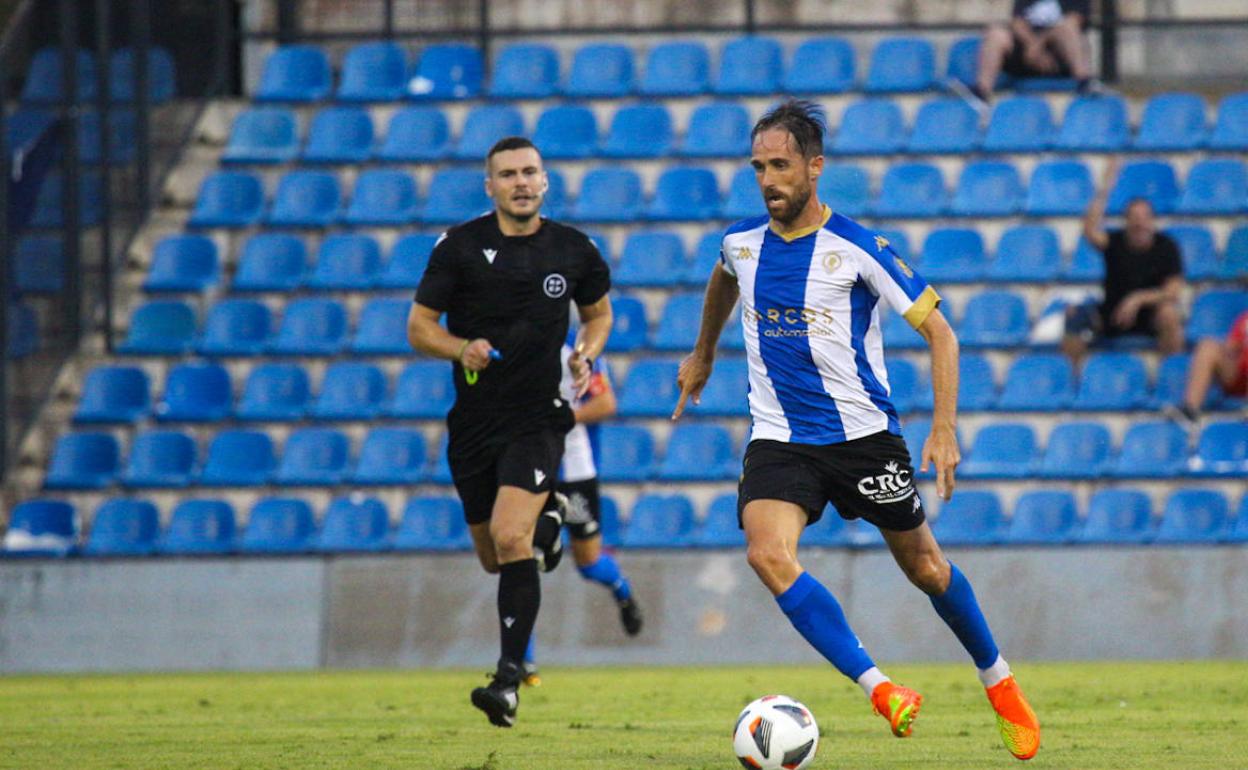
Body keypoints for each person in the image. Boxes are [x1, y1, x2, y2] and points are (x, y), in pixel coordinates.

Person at [672, 100, 1040, 761]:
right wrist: (702, 355)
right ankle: (882, 690)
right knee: (766, 555)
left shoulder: (860, 249)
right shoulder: (740, 243)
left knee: (926, 568)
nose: (767, 180)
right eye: (758, 167)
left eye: (780, 165)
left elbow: (941, 333)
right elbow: (722, 279)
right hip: (781, 439)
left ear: (815, 168)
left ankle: (1001, 684)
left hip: (863, 438)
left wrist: (945, 428)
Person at [407, 136, 612, 728]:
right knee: (497, 557)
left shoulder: (574, 250)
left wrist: (587, 355)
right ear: (489, 186)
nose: (521, 182)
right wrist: (459, 346)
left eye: (530, 172)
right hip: (473, 424)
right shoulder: (459, 248)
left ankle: (506, 682)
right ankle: (552, 522)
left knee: (510, 537)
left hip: (538, 418)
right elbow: (420, 327)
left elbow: (597, 315)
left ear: (545, 181)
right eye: (508, 174)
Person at [522, 337, 644, 686]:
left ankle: (622, 589)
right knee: (523, 557)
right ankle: (523, 660)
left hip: (575, 472)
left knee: (588, 564)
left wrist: (565, 417)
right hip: (531, 470)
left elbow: (606, 402)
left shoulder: (577, 353)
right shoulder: (518, 350)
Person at [1063, 159, 1185, 362]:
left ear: (1152, 221)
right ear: (1126, 221)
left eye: (1145, 218)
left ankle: (1171, 378)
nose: (1140, 224)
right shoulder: (1115, 241)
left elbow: (1173, 291)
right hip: (1112, 312)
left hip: (1149, 315)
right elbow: (1089, 230)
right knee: (1074, 315)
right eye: (1134, 218)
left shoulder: (1167, 246)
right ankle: (1073, 384)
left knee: (1169, 314)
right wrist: (1105, 188)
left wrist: (1138, 299)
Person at [972, 0, 1097, 104]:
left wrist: (1039, 44)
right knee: (996, 34)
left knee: (1068, 29)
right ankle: (981, 94)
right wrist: (1031, 45)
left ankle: (1084, 84)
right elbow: (1017, 22)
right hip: (1026, 53)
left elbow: (1075, 20)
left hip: (1058, 57)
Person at [1168, 310, 1248, 429]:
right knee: (1207, 347)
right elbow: (1231, 346)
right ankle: (1189, 410)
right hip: (1239, 376)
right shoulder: (1245, 319)